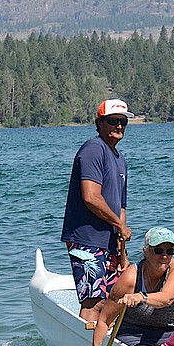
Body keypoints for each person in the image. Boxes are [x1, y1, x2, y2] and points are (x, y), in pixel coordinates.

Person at [62, 98, 133, 323]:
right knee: (94, 300)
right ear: (99, 123)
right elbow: (91, 197)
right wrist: (119, 224)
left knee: (114, 299)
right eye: (113, 121)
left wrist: (121, 240)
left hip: (110, 241)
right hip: (87, 239)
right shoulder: (94, 149)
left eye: (123, 122)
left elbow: (121, 205)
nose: (119, 126)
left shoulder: (120, 159)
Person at [87, 227, 174, 346]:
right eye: (158, 250)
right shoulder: (130, 279)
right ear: (145, 251)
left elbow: (167, 298)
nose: (164, 256)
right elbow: (105, 320)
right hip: (134, 334)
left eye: (170, 251)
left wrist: (141, 297)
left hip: (169, 336)